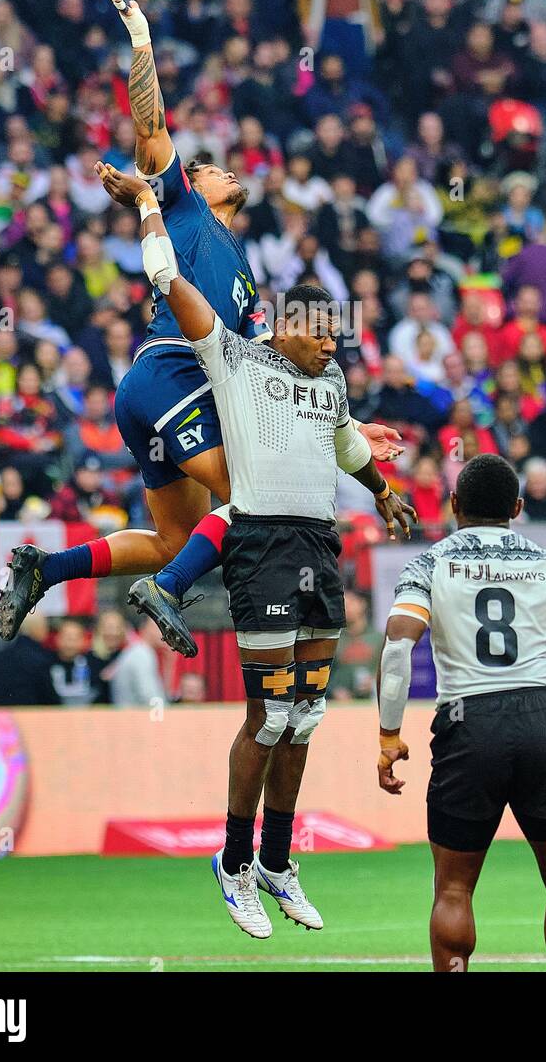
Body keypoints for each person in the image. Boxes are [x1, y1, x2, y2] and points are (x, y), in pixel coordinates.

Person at [0, 0, 400, 654]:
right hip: (168, 376)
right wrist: (143, 44)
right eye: (209, 166)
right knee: (256, 492)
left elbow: (281, 360)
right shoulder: (182, 204)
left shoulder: (242, 270)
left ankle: (48, 568)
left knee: (174, 541)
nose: (217, 168)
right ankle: (166, 592)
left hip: (155, 391)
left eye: (210, 166)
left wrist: (350, 426)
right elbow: (150, 127)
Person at [133, 190, 415, 938]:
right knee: (269, 716)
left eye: (338, 340)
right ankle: (231, 863)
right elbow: (166, 278)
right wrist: (148, 209)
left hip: (318, 547)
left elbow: (345, 442)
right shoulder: (231, 355)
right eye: (323, 336)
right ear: (289, 326)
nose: (334, 348)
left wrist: (383, 493)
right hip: (258, 547)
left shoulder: (330, 384)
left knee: (311, 715)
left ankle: (278, 862)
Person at [376, 453, 546, 973]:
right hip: (538, 720)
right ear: (519, 507)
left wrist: (388, 736)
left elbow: (397, 650)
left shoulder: (428, 563)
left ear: (454, 503)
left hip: (467, 722)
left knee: (454, 888)